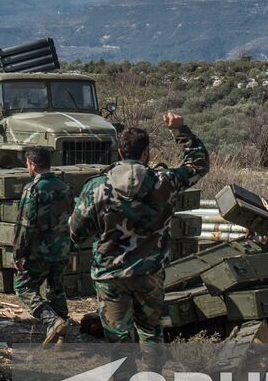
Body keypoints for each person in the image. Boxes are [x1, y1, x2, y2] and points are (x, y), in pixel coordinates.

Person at [69, 112, 209, 351]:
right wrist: (179, 130)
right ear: (146, 153)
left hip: (109, 274)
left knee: (117, 337)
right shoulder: (165, 182)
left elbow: (76, 232)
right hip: (150, 273)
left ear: (120, 152)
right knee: (151, 332)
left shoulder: (97, 187)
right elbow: (198, 164)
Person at [13, 146, 74, 345]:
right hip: (62, 249)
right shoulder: (64, 187)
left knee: (23, 287)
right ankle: (62, 333)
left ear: (33, 164)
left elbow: (25, 225)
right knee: (56, 289)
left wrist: (19, 253)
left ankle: (52, 320)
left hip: (39, 252)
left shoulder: (33, 189)